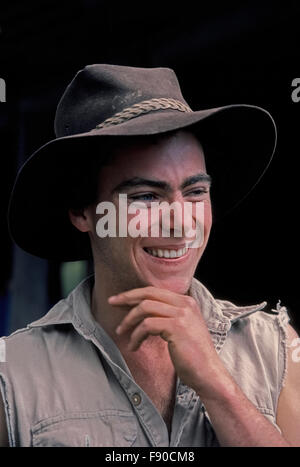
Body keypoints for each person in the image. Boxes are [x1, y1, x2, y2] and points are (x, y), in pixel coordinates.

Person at [0, 64, 299, 447]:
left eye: (195, 192)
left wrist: (218, 385)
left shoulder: (276, 349)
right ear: (82, 212)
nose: (180, 224)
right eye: (146, 196)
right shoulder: (16, 375)